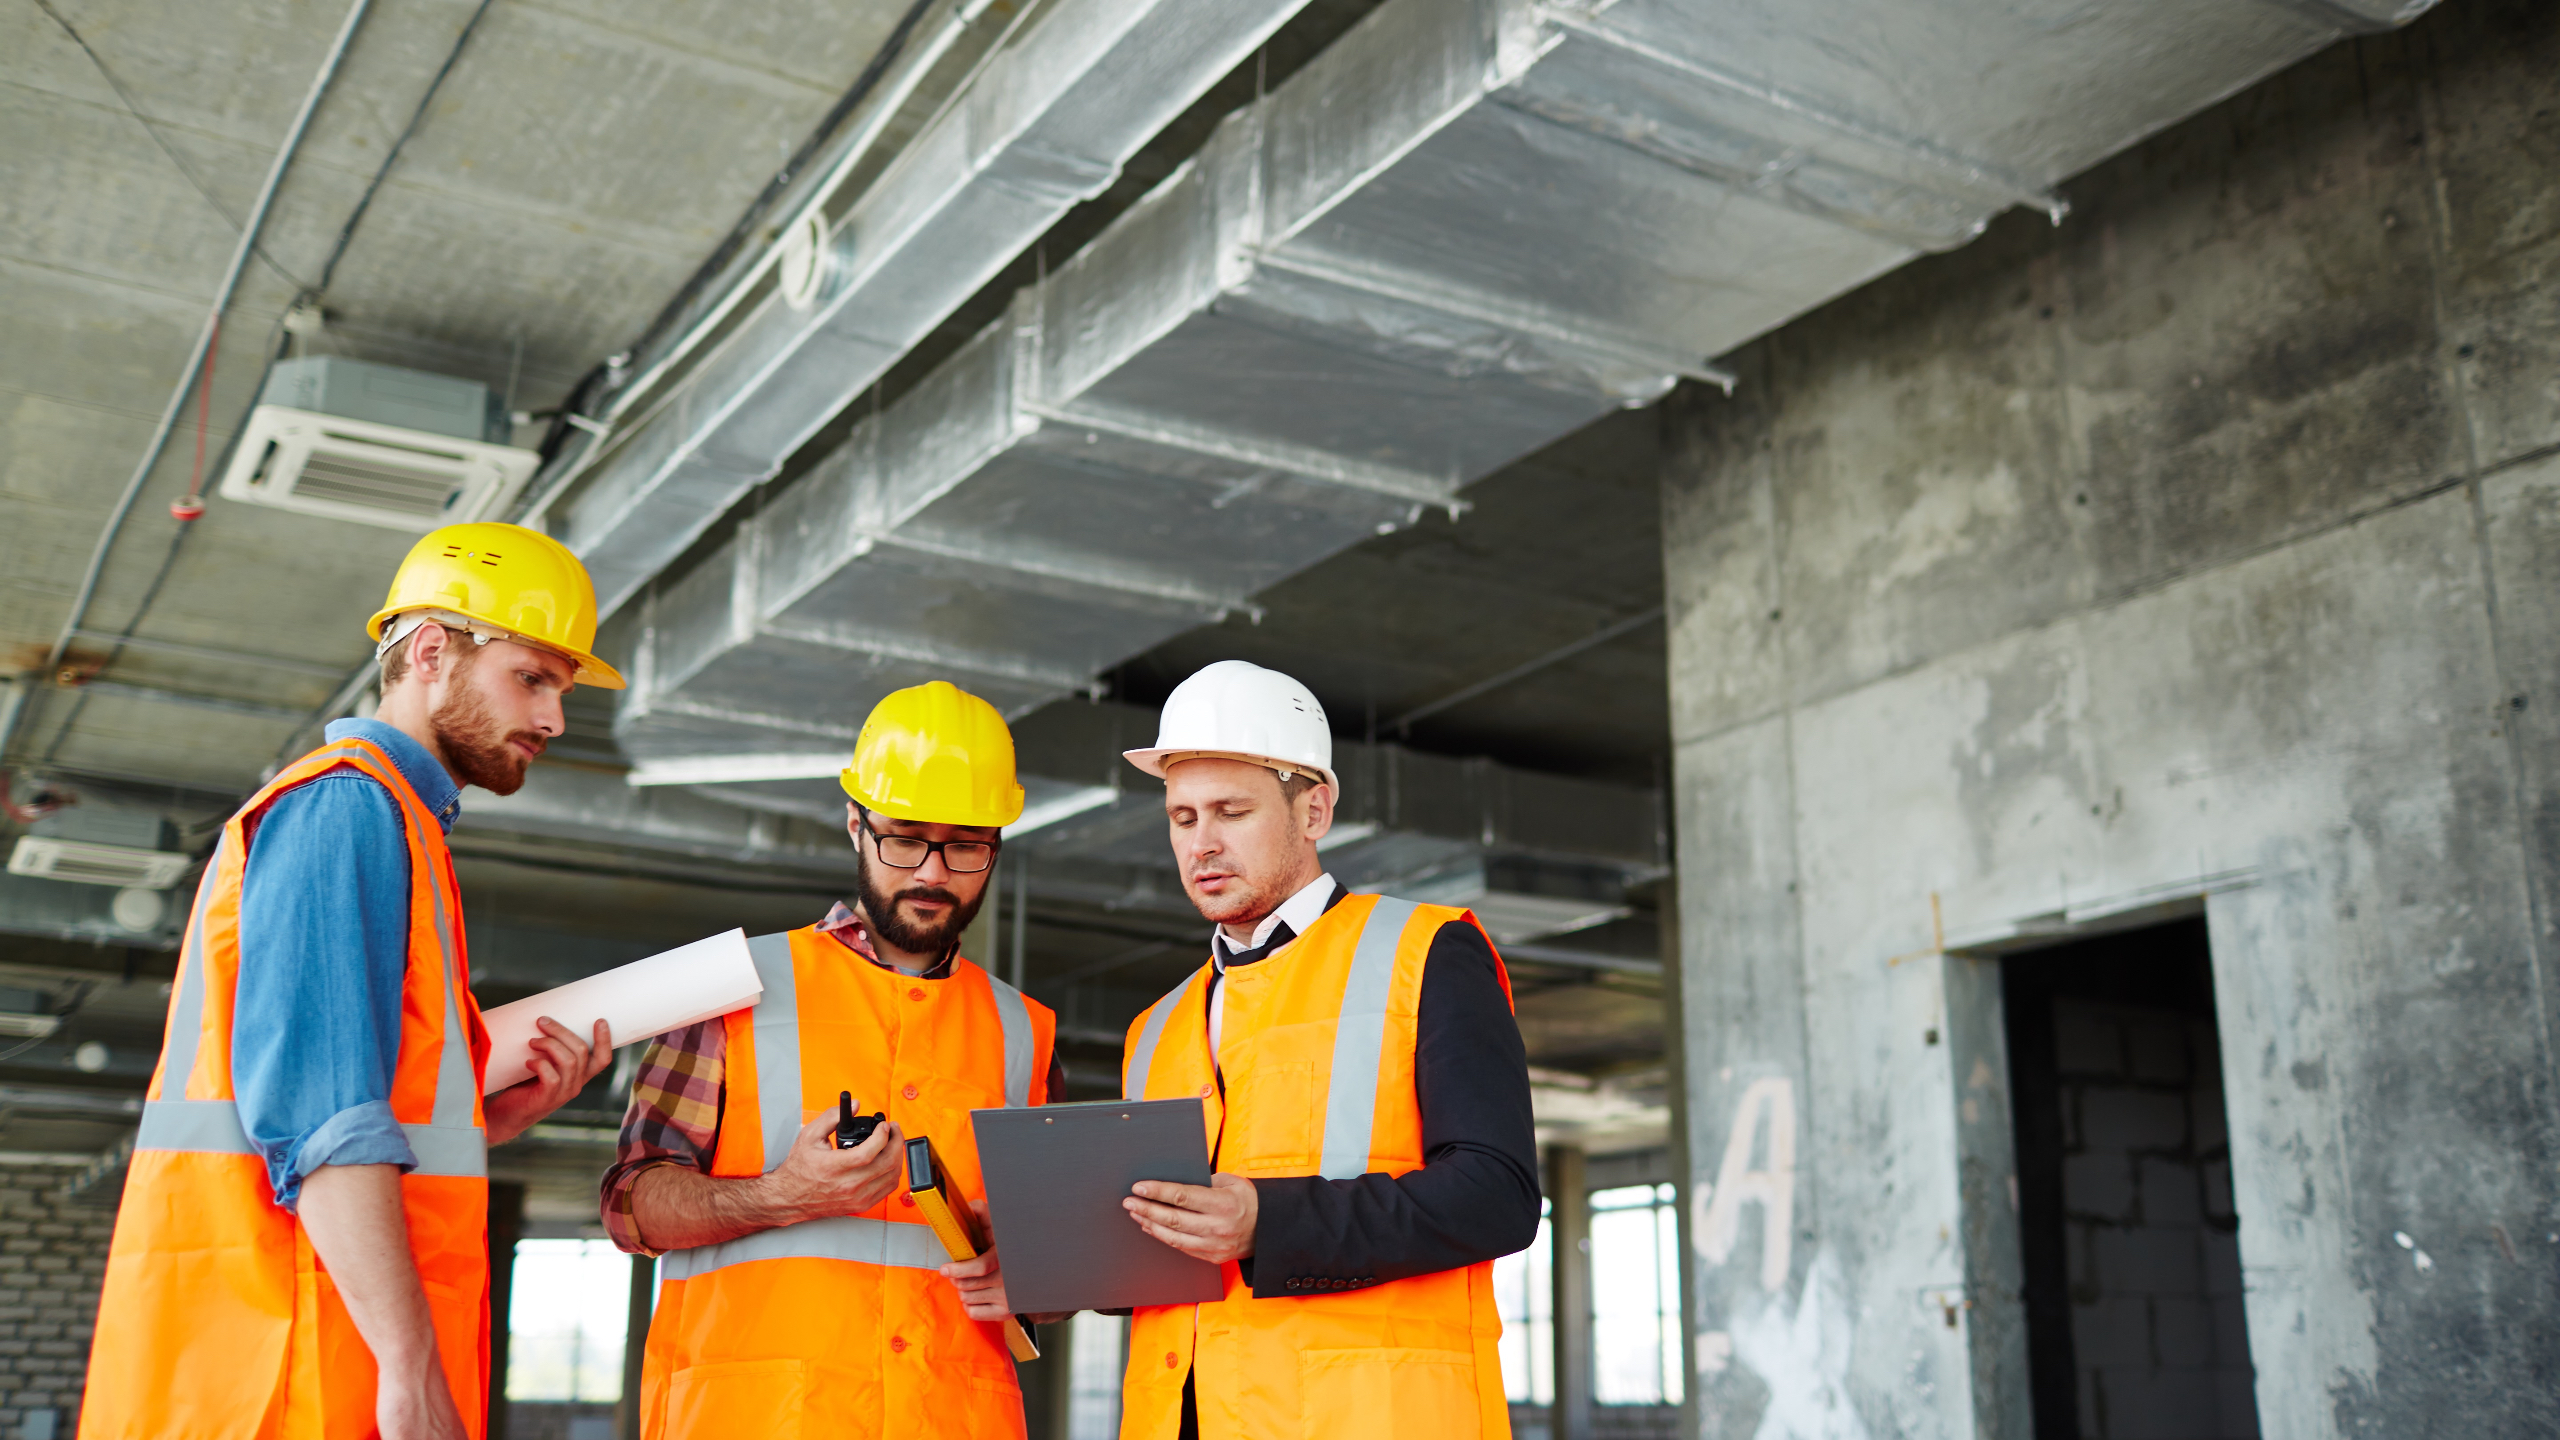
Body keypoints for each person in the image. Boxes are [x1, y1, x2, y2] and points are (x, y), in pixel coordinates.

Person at [81, 522, 622, 1440]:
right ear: (429, 652)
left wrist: (484, 1119)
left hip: (301, 1348)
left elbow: (321, 1105)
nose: (554, 719)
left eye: (561, 691)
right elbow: (325, 1126)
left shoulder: (397, 824)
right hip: (291, 1366)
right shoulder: (350, 808)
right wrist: (413, 1378)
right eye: (532, 677)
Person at [603, 680, 1065, 1438]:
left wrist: (1036, 1270)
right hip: (756, 1417)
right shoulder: (734, 989)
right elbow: (629, 1206)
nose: (932, 873)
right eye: (905, 837)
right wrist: (783, 1195)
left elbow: (1051, 1274)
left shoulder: (1026, 1030)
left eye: (966, 846)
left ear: (997, 847)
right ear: (855, 824)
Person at [1114, 660, 1540, 1439]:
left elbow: (1497, 1196)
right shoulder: (1155, 1027)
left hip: (1368, 1417)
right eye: (1182, 818)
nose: (1201, 844)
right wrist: (1045, 1260)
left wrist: (1265, 1224)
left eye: (1230, 811)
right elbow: (1159, 1252)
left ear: (1314, 810)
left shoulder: (1425, 953)